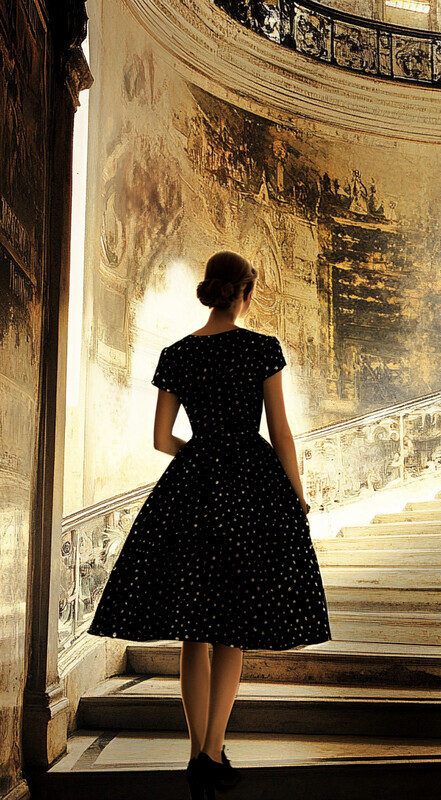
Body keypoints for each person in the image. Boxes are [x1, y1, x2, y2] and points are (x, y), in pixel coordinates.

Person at [87, 251, 332, 799]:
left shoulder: (176, 354)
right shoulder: (261, 349)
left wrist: (200, 456)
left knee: (194, 630)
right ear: (245, 293)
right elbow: (282, 432)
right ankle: (215, 750)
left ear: (210, 290)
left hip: (193, 489)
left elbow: (160, 439)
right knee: (232, 630)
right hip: (251, 489)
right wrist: (296, 494)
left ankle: (196, 751)